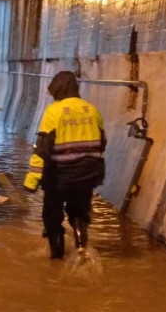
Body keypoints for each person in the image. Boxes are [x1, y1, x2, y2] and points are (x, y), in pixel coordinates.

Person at [23, 71, 106, 259]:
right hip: (88, 174)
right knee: (79, 213)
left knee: (52, 217)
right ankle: (81, 249)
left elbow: (43, 149)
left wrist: (31, 180)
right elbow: (102, 143)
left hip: (59, 175)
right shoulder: (92, 110)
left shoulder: (54, 111)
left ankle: (57, 260)